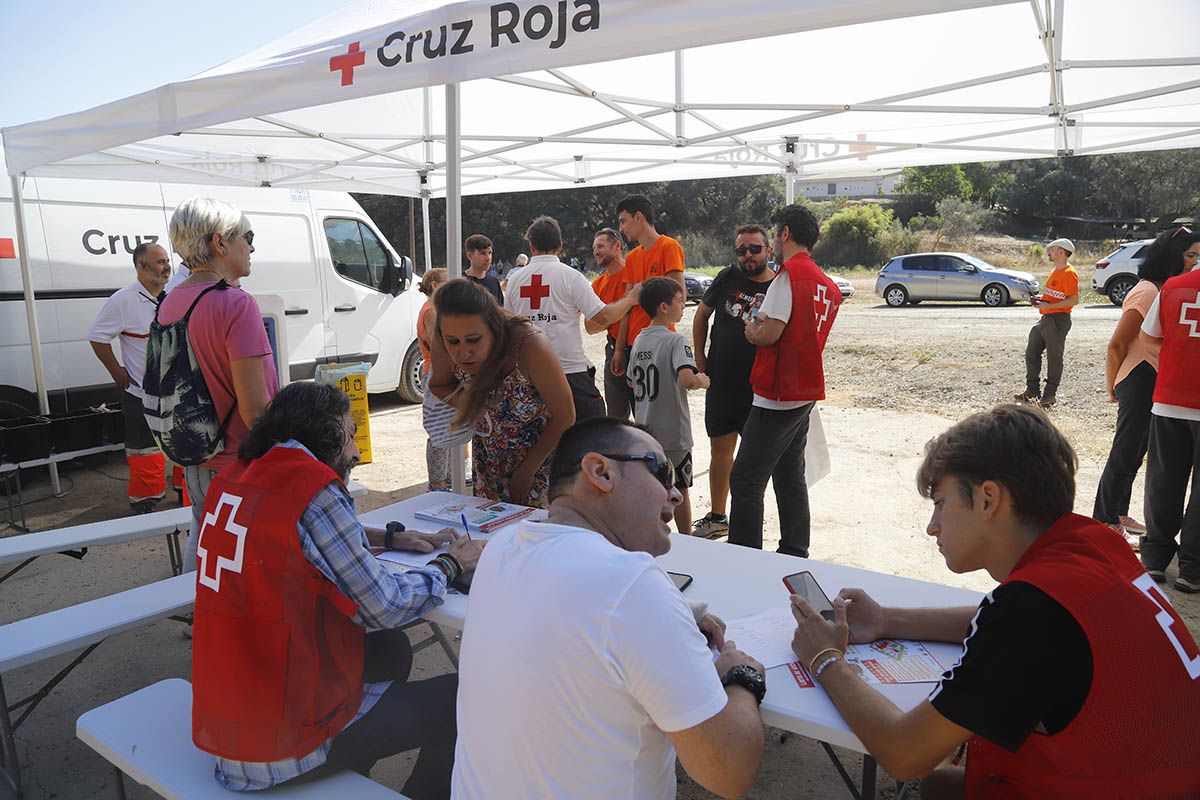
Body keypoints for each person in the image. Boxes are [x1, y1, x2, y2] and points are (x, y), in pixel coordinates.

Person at [789, 404, 1200, 799]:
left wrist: (825, 658)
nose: (933, 527)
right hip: (1157, 777)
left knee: (934, 778)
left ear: (988, 499)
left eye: (940, 504)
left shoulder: (1029, 614)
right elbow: (1016, 625)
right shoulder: (1094, 544)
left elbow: (904, 754)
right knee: (941, 786)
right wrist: (885, 620)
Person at [191, 381, 484, 797]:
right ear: (326, 436)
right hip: (282, 743)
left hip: (235, 716)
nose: (355, 452)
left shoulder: (236, 477)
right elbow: (385, 606)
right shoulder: (313, 487)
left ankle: (352, 776)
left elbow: (291, 531)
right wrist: (452, 563)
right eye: (349, 436)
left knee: (390, 649)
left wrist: (392, 539)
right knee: (464, 700)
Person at [452, 417, 766, 800]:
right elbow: (729, 771)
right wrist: (741, 676)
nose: (677, 493)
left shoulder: (502, 546)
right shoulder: (633, 584)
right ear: (600, 472)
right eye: (661, 471)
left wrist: (674, 623)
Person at [159, 197, 279, 571]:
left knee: (205, 531)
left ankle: (199, 615)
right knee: (248, 553)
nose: (252, 246)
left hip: (195, 450)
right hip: (240, 458)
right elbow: (256, 410)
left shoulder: (170, 301)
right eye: (247, 236)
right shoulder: (236, 305)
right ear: (219, 243)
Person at [728, 204, 842, 557]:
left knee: (746, 480)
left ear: (786, 234)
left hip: (777, 392)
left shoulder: (788, 276)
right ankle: (794, 548)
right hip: (804, 391)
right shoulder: (825, 283)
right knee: (790, 475)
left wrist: (751, 330)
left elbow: (770, 333)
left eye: (775, 234)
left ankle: (745, 556)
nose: (774, 241)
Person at [1093, 229, 1200, 547]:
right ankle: (1104, 522)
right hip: (1138, 378)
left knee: (1137, 452)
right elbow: (1117, 343)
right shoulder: (1148, 291)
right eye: (1190, 255)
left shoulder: (1167, 289)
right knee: (1124, 453)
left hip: (1151, 378)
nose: (1194, 262)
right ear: (1171, 255)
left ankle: (1119, 514)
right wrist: (1112, 384)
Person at [427, 279, 574, 506]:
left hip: (541, 464)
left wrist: (528, 469)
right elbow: (438, 385)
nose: (463, 352)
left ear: (494, 328)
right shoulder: (442, 342)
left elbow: (565, 415)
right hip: (488, 463)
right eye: (453, 342)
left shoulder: (530, 346)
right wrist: (471, 403)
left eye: (474, 340)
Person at [504, 216, 640, 423]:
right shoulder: (571, 276)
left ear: (531, 246)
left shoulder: (514, 281)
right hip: (570, 372)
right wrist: (630, 300)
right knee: (591, 433)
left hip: (529, 373)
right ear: (560, 247)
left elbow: (509, 328)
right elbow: (601, 316)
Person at [691, 224, 776, 538]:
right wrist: (700, 361)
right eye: (741, 250)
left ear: (768, 249)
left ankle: (748, 521)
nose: (748, 255)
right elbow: (701, 316)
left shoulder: (779, 286)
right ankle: (717, 517)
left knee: (753, 464)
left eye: (754, 248)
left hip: (759, 388)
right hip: (721, 382)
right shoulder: (727, 277)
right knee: (720, 449)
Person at [88, 242, 176, 513]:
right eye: (160, 262)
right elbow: (97, 336)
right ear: (141, 267)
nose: (166, 266)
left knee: (186, 444)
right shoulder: (122, 300)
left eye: (166, 261)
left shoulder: (175, 295)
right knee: (144, 450)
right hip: (142, 395)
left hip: (179, 391)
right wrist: (117, 371)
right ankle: (146, 502)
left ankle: (187, 494)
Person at [1138, 225, 1200, 593]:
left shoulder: (1173, 287)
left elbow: (1149, 336)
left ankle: (1156, 560)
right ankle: (1191, 569)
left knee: (1163, 480)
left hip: (1171, 400)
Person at [628, 277, 709, 533]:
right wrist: (703, 381)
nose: (683, 305)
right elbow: (686, 379)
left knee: (653, 487)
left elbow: (631, 381)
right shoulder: (676, 340)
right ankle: (687, 540)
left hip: (647, 432)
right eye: (679, 300)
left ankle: (650, 533)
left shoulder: (640, 340)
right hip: (674, 434)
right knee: (680, 489)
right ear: (664, 307)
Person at [610, 195, 686, 381]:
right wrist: (619, 349)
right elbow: (627, 307)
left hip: (660, 344)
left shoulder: (669, 247)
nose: (621, 228)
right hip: (634, 345)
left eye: (623, 221)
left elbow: (679, 298)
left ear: (638, 217)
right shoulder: (633, 257)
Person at [1015, 238, 1079, 409]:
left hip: (1058, 319)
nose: (1048, 252)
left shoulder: (1069, 273)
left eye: (1052, 249)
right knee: (1032, 351)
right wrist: (1041, 301)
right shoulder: (1056, 271)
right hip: (1046, 319)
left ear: (1061, 251)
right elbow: (1056, 296)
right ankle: (1032, 391)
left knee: (1054, 357)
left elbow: (1074, 299)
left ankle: (1049, 395)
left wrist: (1049, 306)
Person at [590, 227, 636, 419]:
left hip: (635, 347)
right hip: (612, 349)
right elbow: (590, 326)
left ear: (617, 246)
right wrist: (619, 309)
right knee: (616, 418)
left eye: (601, 246)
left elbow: (629, 314)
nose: (596, 251)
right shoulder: (597, 284)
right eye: (594, 248)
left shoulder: (632, 272)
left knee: (645, 415)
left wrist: (607, 314)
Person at [418, 268, 451, 491]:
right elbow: (437, 344)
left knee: (447, 428)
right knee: (440, 430)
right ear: (435, 285)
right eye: (447, 282)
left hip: (437, 370)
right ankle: (437, 482)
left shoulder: (434, 309)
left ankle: (445, 478)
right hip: (435, 370)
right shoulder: (431, 311)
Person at [463, 234, 502, 303]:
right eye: (482, 253)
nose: (488, 258)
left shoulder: (494, 282)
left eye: (490, 253)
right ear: (470, 255)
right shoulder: (461, 283)